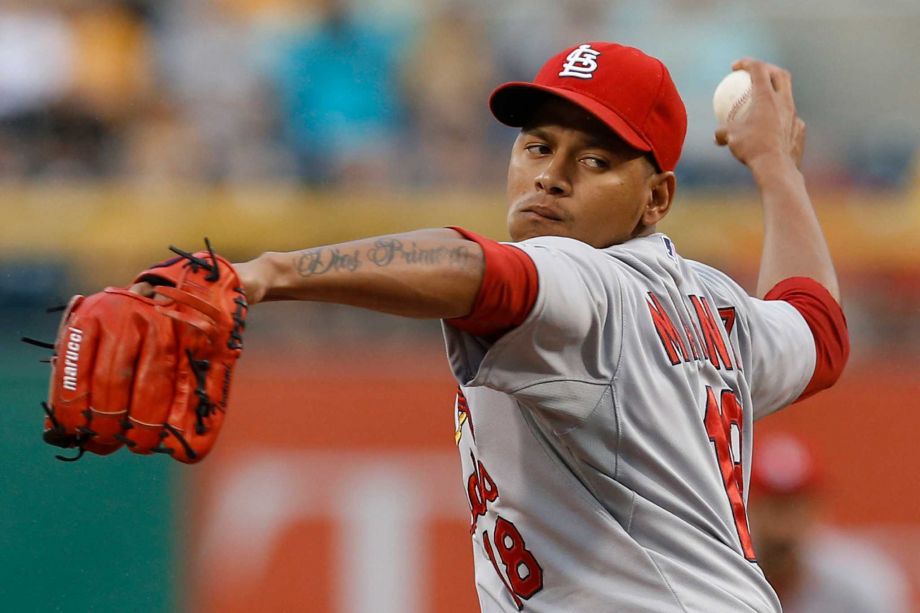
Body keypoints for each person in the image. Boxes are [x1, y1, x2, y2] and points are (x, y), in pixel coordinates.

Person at [149, 42, 849, 610]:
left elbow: (480, 270)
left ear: (655, 197)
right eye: (538, 146)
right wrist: (775, 167)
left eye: (596, 160)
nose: (551, 176)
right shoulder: (716, 308)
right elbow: (819, 331)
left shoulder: (590, 281)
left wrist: (261, 274)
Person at [748, 433, 910, 613]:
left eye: (794, 506)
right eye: (773, 506)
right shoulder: (724, 575)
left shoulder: (861, 581)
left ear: (816, 508)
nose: (783, 526)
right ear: (746, 508)